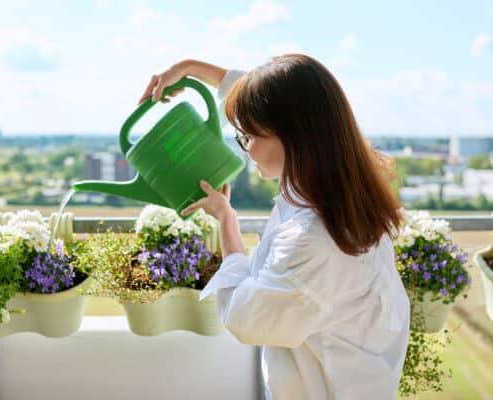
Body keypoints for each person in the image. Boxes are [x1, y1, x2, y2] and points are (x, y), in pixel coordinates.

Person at [138, 55, 410, 400]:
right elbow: (289, 97)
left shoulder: (312, 241)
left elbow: (244, 316)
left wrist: (227, 224)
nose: (245, 147)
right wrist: (192, 68)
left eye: (247, 136)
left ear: (293, 135)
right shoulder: (344, 191)